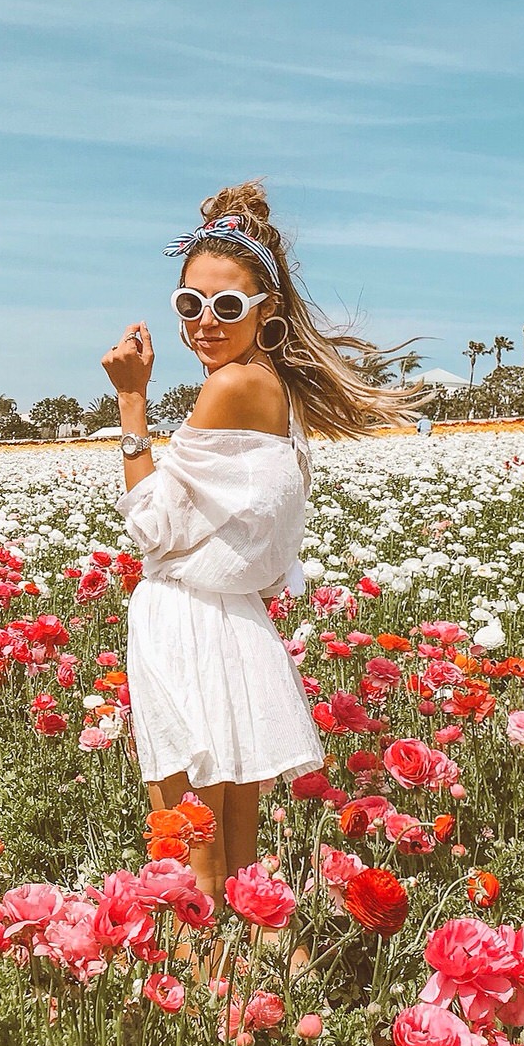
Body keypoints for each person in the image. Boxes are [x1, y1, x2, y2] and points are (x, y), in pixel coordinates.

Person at [101, 181, 432, 923]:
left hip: (186, 623)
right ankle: (250, 1004)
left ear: (266, 311)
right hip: (232, 623)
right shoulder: (267, 384)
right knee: (236, 868)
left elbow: (151, 528)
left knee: (188, 859)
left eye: (228, 307)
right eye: (190, 306)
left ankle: (200, 1010)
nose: (206, 324)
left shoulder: (232, 388)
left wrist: (131, 404)